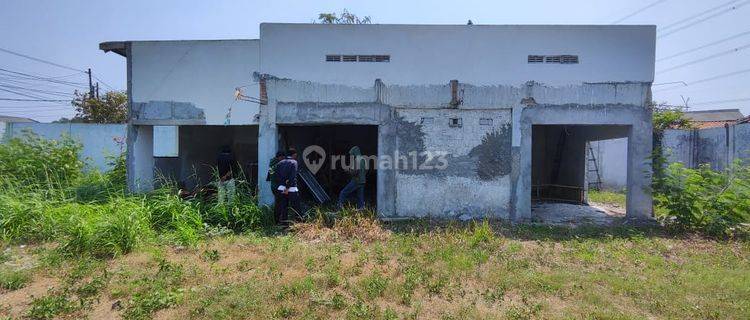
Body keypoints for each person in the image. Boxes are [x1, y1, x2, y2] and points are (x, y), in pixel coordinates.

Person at [274, 148, 301, 224]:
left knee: (283, 207)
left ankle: (284, 224)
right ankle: (299, 224)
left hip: (281, 188)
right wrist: (287, 188)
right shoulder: (294, 162)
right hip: (291, 188)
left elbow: (277, 176)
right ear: (294, 154)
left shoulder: (280, 163)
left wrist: (282, 186)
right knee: (296, 207)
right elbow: (292, 177)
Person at [266, 151, 284, 223]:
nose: (283, 159)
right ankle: (278, 221)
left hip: (273, 186)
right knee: (279, 204)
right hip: (278, 186)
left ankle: (277, 220)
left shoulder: (271, 164)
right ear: (279, 157)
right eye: (282, 157)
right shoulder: (278, 164)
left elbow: (270, 175)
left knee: (278, 203)